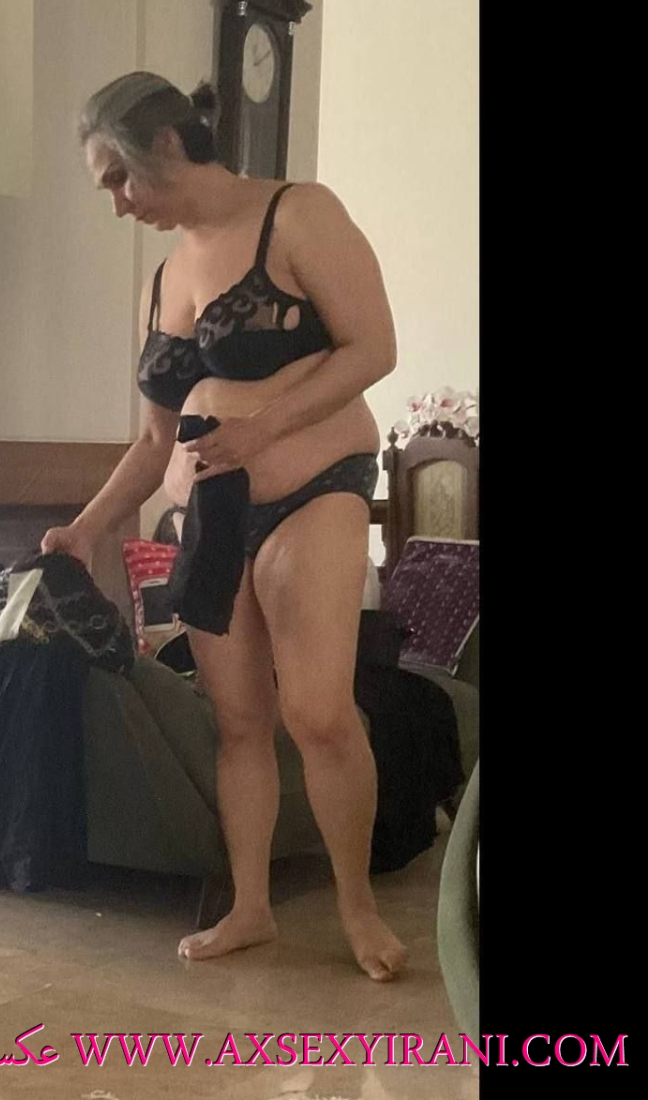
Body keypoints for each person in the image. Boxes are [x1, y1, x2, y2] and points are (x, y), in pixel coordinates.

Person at [41, 71, 406, 981]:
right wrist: (85, 528)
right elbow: (155, 438)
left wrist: (261, 430)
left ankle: (358, 909)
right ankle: (250, 908)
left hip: (315, 485)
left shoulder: (299, 214)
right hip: (207, 510)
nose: (118, 205)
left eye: (118, 179)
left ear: (167, 143)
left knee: (316, 711)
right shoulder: (162, 277)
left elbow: (373, 347)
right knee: (238, 723)